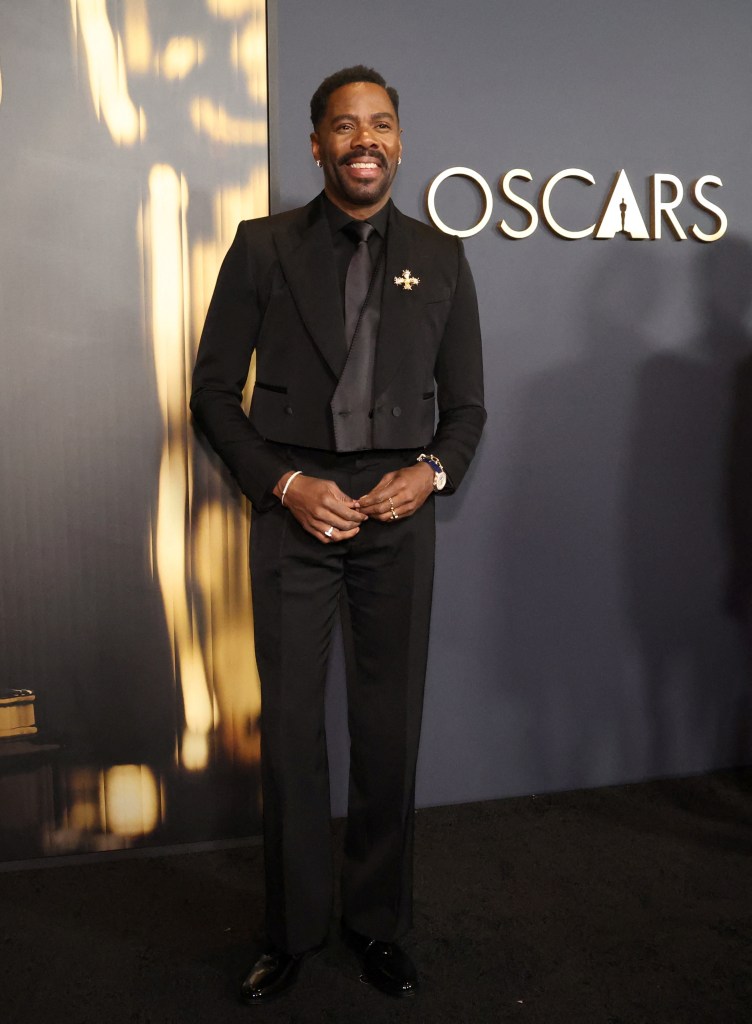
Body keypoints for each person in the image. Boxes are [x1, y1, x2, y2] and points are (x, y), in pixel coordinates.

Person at [190, 65, 485, 1002]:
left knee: (388, 730)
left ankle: (378, 923)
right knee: (290, 735)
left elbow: (469, 409)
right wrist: (283, 482)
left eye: (383, 123)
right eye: (346, 125)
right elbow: (208, 394)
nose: (367, 139)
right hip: (294, 506)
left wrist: (429, 474)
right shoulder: (263, 246)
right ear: (315, 142)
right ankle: (292, 929)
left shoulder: (443, 255)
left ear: (400, 140)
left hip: (399, 514)